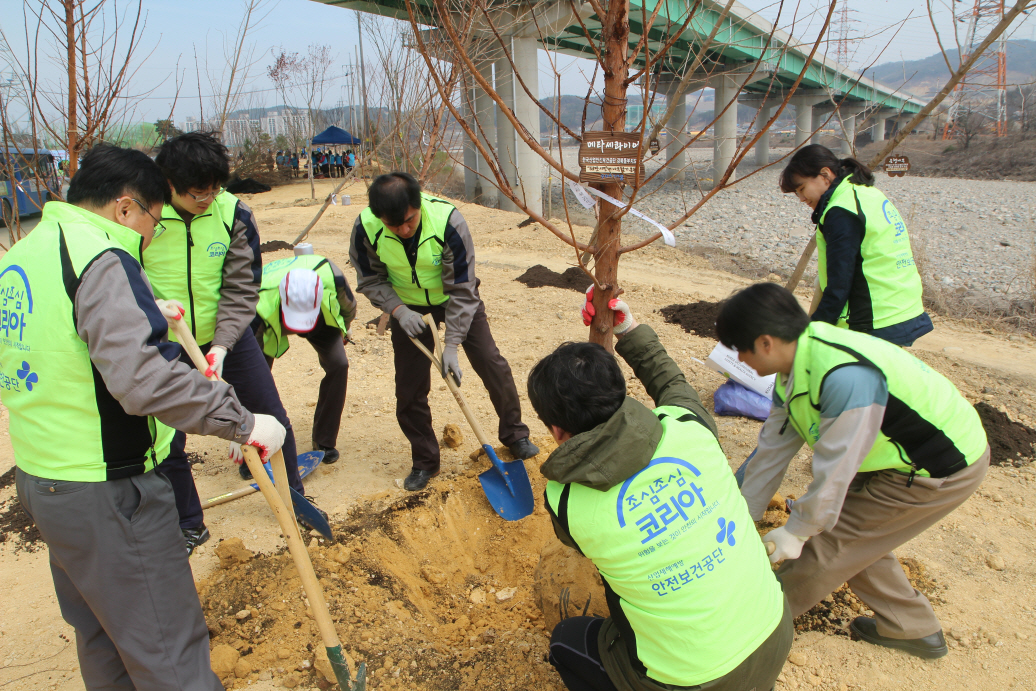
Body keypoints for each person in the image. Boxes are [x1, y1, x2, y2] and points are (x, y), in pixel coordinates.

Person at [0, 144, 286, 690]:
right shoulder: (101, 255)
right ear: (126, 208)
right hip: (111, 491)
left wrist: (141, 315)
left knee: (105, 641)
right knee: (169, 654)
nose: (149, 236)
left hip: (45, 480)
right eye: (153, 221)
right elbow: (145, 381)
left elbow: (55, 344)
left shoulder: (26, 254)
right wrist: (242, 422)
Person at [529, 291, 792, 691]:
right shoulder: (689, 428)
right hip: (774, 635)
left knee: (568, 641)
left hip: (694, 682)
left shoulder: (565, 501)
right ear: (620, 395)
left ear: (556, 431)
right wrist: (628, 329)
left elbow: (582, 548)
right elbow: (671, 382)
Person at [718, 282, 989, 660]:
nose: (741, 362)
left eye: (740, 351)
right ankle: (911, 627)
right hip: (889, 456)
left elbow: (835, 472)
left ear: (765, 343)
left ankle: (746, 637)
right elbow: (770, 454)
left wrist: (797, 530)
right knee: (859, 537)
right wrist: (736, 523)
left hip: (936, 465)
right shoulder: (794, 365)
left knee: (827, 544)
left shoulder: (844, 377)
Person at [142, 131, 318, 553]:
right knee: (167, 439)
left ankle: (292, 496)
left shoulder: (233, 214)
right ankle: (188, 522)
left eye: (214, 189)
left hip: (229, 338)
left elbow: (242, 289)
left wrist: (221, 346)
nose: (207, 198)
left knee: (270, 414)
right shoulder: (143, 213)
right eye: (197, 192)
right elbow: (124, 274)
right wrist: (150, 305)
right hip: (165, 343)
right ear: (168, 183)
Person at [350, 172, 537, 490]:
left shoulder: (448, 222)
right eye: (395, 225)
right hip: (407, 306)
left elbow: (463, 289)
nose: (404, 230)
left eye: (409, 220)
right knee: (408, 389)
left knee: (491, 364)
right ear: (379, 217)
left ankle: (515, 436)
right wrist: (397, 309)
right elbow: (370, 280)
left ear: (418, 203)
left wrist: (451, 345)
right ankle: (425, 462)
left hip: (455, 297)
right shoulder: (366, 229)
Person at [779, 144, 932, 346]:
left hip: (875, 320)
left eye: (801, 188)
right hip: (902, 306)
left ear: (825, 175)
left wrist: (815, 334)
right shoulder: (865, 193)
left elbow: (840, 283)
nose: (800, 198)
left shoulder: (841, 210)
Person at [251, 257, 357, 464]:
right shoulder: (256, 300)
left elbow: (348, 309)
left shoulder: (333, 279)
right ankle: (256, 448)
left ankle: (324, 441)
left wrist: (345, 327)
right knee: (256, 378)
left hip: (320, 319)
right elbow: (246, 368)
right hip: (273, 318)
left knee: (339, 364)